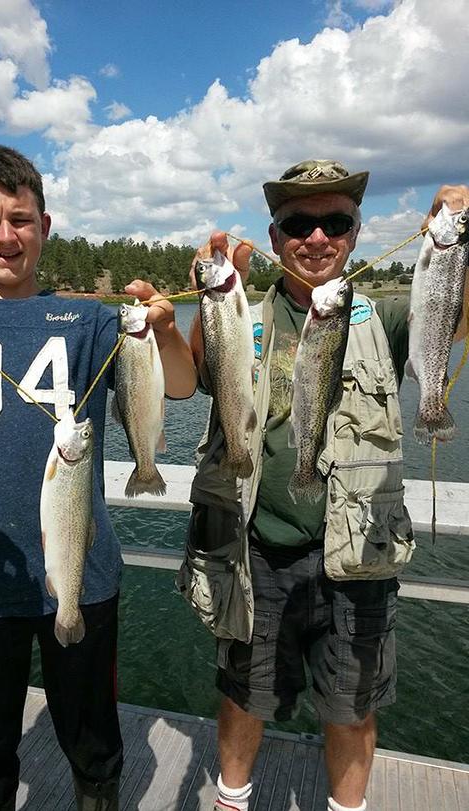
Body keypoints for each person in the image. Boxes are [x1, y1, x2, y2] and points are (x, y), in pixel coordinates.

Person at [0, 144, 197, 811]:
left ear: (45, 226)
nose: (6, 234)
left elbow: (183, 386)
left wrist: (161, 330)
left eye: (21, 218)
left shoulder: (88, 319)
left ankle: (97, 797)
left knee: (93, 734)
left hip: (81, 567)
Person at [181, 160, 469, 811]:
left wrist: (456, 236)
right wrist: (209, 295)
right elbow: (198, 373)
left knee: (352, 706)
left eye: (334, 221)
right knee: (242, 692)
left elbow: (454, 317)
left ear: (357, 232)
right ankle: (232, 799)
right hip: (257, 550)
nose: (316, 237)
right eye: (299, 223)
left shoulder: (390, 314)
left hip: (357, 554)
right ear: (276, 235)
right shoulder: (242, 313)